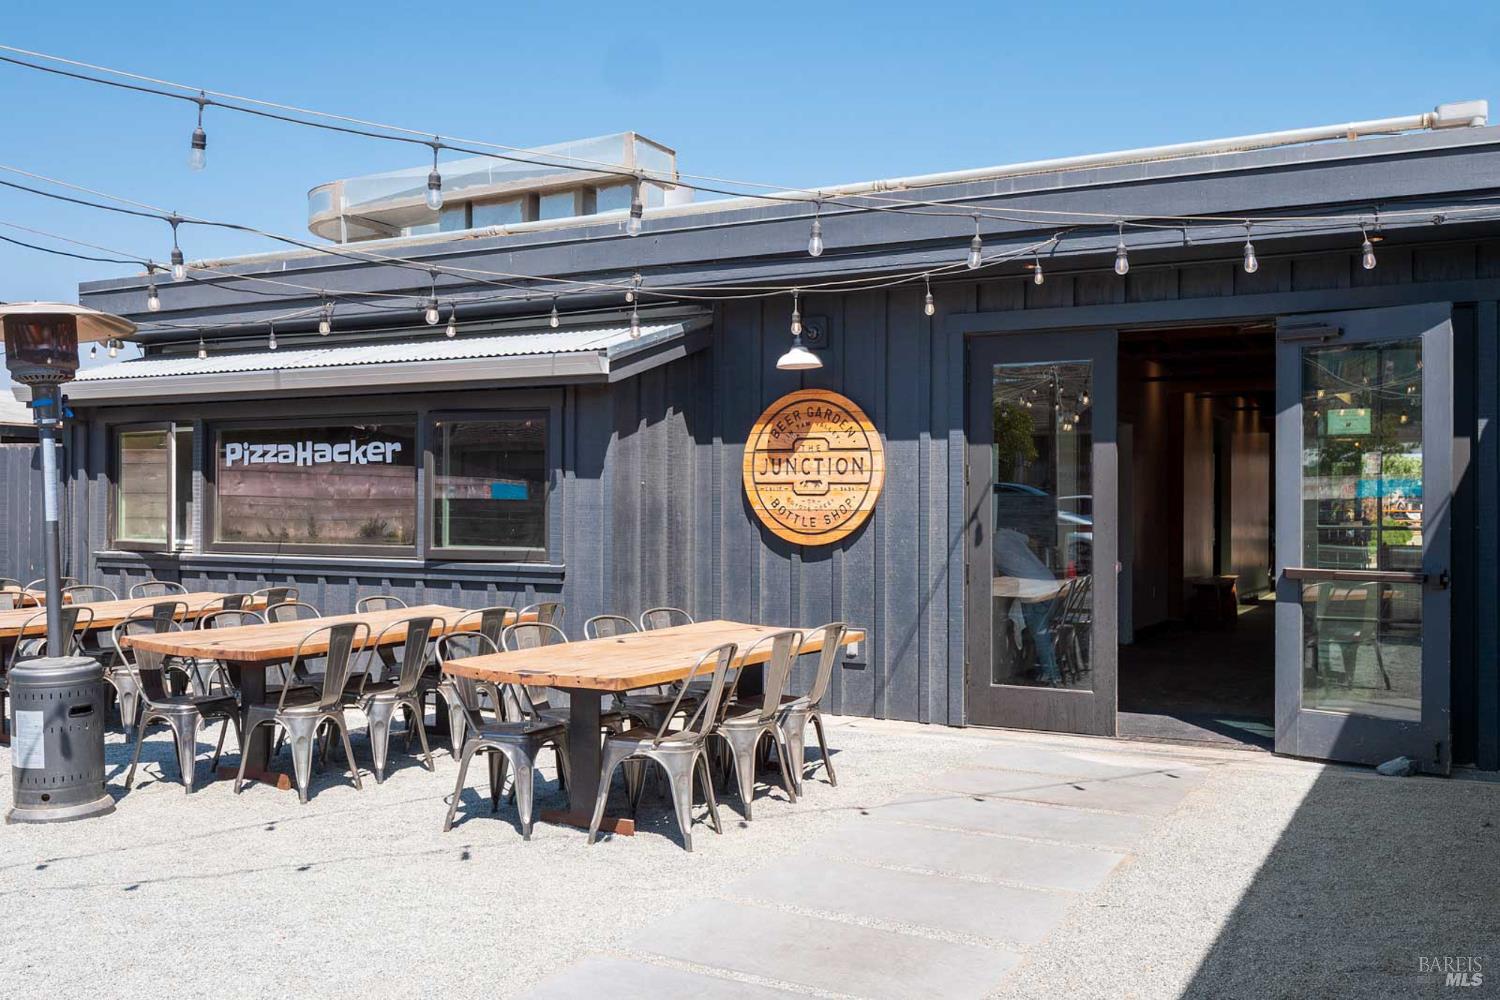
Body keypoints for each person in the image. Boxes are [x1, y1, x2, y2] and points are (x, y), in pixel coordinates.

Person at [993, 528, 1062, 685]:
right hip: (1049, 581)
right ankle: (1042, 669)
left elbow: (993, 576)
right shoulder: (1005, 533)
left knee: (1040, 634)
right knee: (1041, 631)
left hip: (1035, 590)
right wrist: (1027, 560)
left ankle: (1052, 674)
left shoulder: (989, 549)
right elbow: (1031, 541)